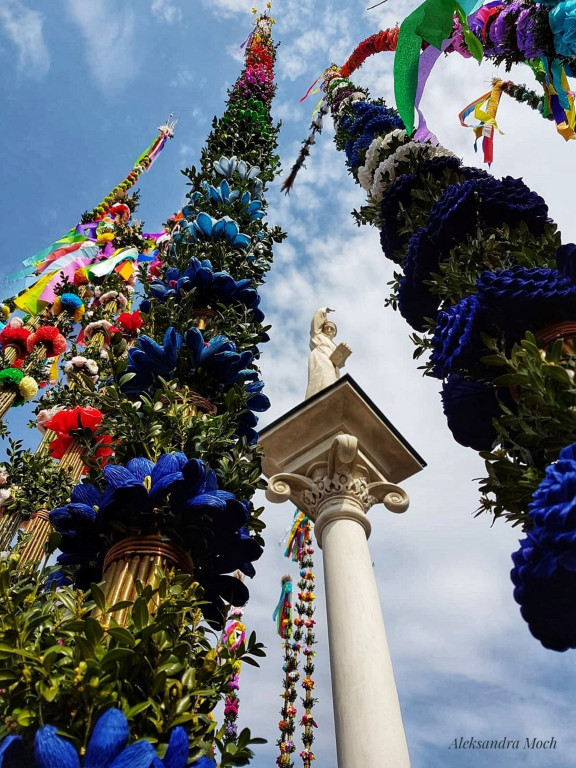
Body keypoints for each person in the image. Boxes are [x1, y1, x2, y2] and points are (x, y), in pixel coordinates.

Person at [305, 307, 351, 399]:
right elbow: (316, 321)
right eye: (327, 327)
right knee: (323, 377)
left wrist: (343, 352)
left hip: (334, 366)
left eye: (332, 329)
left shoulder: (334, 346)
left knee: (332, 381)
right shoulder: (317, 335)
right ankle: (318, 397)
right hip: (321, 356)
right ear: (322, 328)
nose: (329, 330)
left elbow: (339, 362)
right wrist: (324, 311)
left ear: (334, 333)